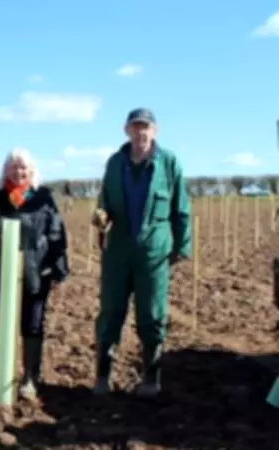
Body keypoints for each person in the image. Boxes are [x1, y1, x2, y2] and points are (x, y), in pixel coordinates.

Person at [92, 108, 191, 398]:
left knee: (152, 313)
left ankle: (151, 378)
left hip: (154, 251)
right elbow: (104, 201)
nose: (140, 133)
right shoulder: (115, 163)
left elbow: (181, 208)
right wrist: (101, 215)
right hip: (118, 250)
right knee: (111, 310)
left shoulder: (168, 163)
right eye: (135, 127)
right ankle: (102, 377)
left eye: (145, 127)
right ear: (127, 131)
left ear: (154, 131)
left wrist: (182, 245)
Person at [0, 149, 69, 400]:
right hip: (5, 269)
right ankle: (2, 375)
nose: (19, 172)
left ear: (31, 171)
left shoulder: (43, 197)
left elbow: (56, 233)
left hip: (36, 269)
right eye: (14, 167)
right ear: (6, 170)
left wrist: (58, 268)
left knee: (33, 322)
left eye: (23, 168)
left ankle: (30, 377)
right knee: (3, 321)